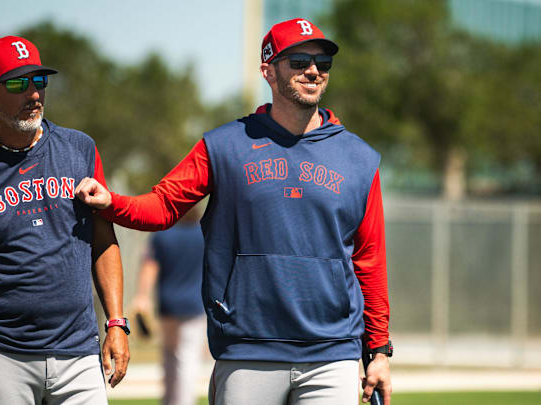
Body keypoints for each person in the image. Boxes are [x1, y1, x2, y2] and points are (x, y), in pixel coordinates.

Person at [75, 18, 392, 405]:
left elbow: (369, 259)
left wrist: (378, 351)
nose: (312, 70)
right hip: (246, 350)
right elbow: (163, 206)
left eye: (322, 63)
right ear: (268, 71)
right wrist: (113, 202)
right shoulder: (224, 145)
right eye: (298, 60)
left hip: (332, 354)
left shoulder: (358, 158)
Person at [0, 35, 129, 405]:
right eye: (18, 84)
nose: (33, 93)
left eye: (39, 81)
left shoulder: (80, 150)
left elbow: (103, 241)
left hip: (79, 351)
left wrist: (116, 322)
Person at [131, 208, 207, 405]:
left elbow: (150, 266)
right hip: (194, 306)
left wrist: (142, 297)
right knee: (188, 362)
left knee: (170, 360)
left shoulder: (162, 235)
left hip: (168, 306)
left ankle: (169, 401)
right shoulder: (203, 234)